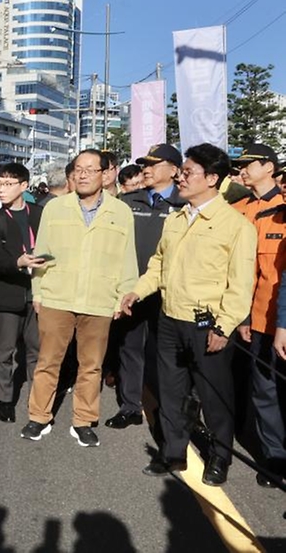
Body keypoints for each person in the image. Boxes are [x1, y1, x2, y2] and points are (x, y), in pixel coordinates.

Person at [121, 144, 256, 486]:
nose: (181, 177)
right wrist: (138, 290)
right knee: (170, 390)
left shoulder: (236, 226)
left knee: (214, 396)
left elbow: (240, 286)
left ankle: (220, 455)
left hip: (208, 325)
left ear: (212, 179)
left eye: (188, 172)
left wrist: (224, 327)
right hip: (169, 318)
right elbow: (159, 264)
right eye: (182, 171)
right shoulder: (177, 218)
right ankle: (173, 452)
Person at [21, 149, 138, 447]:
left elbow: (128, 259)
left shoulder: (121, 212)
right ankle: (39, 416)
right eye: (79, 169)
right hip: (57, 298)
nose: (84, 174)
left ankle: (84, 420)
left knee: (92, 365)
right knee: (48, 361)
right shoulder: (55, 208)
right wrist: (38, 292)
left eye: (91, 169)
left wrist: (122, 298)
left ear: (105, 174)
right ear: (72, 174)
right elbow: (41, 253)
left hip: (99, 299)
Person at [104, 144, 184, 431]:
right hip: (131, 290)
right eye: (144, 164)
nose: (146, 169)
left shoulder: (185, 203)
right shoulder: (129, 201)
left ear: (174, 170)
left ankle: (170, 410)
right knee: (130, 348)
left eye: (154, 164)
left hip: (167, 293)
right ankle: (130, 406)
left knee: (165, 354)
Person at [230, 144, 286, 487]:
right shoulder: (237, 211)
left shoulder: (283, 210)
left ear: (269, 167)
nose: (242, 170)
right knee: (263, 392)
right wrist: (241, 316)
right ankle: (274, 457)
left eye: (249, 164)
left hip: (281, 319)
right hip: (255, 318)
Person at [0, 163, 45, 424]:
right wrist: (17, 262)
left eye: (8, 184)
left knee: (37, 350)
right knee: (4, 351)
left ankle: (37, 398)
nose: (1, 190)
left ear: (24, 186)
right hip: (8, 295)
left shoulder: (40, 214)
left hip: (39, 294)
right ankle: (5, 400)